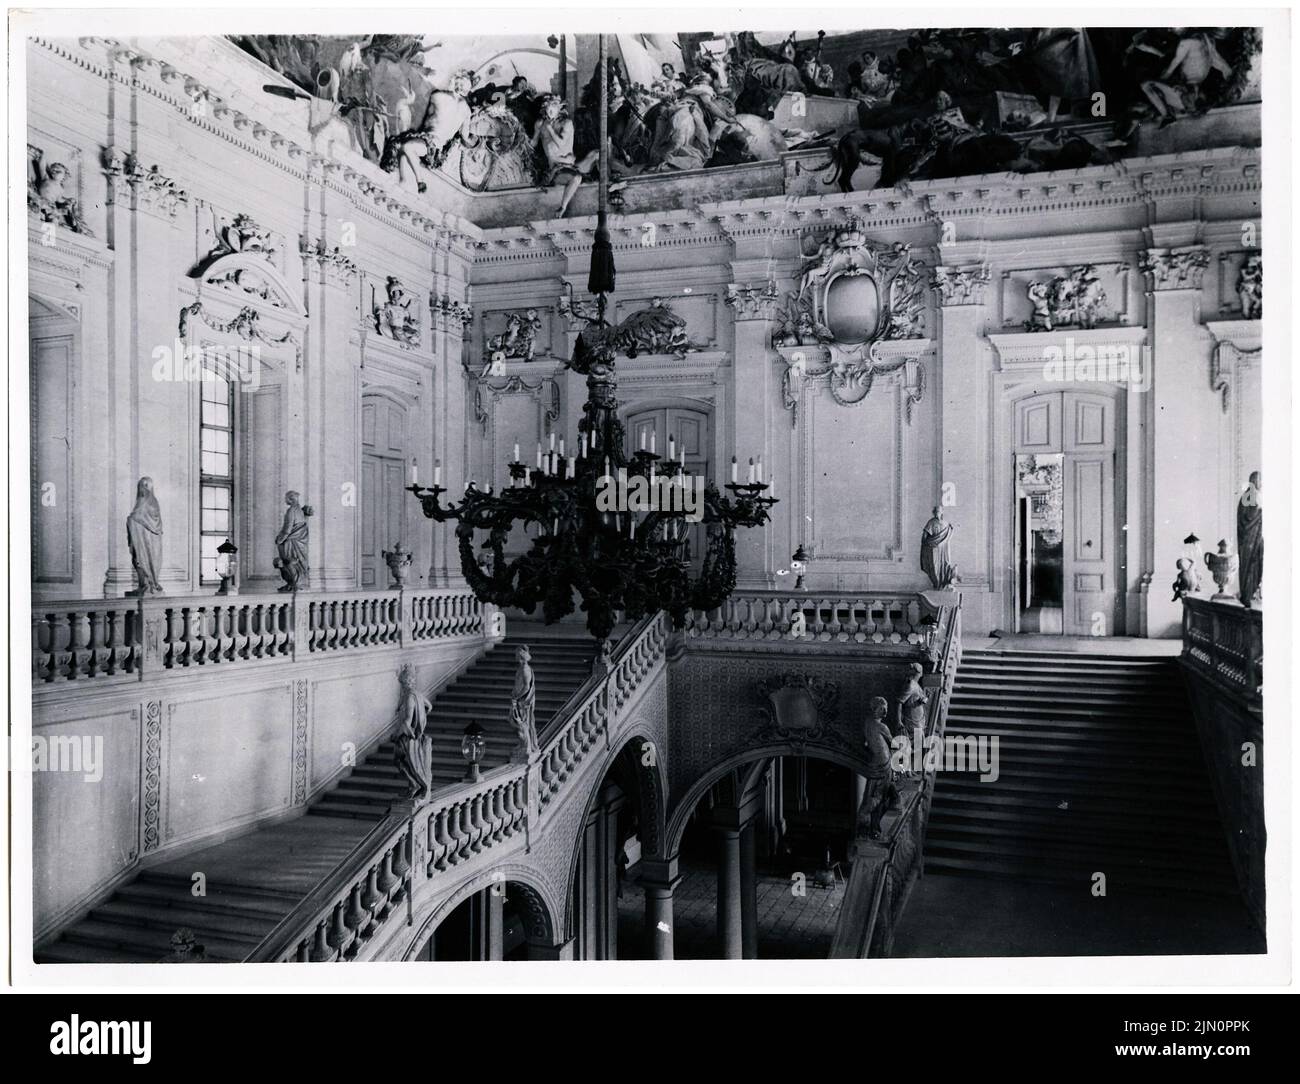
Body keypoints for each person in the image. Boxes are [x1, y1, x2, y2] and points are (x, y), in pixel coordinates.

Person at [393, 664, 434, 799]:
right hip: (415, 735)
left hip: (408, 736)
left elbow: (407, 721)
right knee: (407, 762)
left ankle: (416, 785)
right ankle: (415, 785)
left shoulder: (409, 697)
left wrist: (397, 734)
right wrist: (422, 718)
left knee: (402, 761)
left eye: (402, 683)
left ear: (405, 683)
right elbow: (429, 706)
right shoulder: (418, 694)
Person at [126, 476, 163, 596]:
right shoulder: (154, 502)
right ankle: (150, 582)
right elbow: (154, 523)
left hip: (143, 539)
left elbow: (136, 517)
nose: (141, 490)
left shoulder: (143, 501)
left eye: (142, 486)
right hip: (152, 541)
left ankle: (147, 584)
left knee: (140, 559)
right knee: (147, 560)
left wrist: (130, 519)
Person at [274, 490, 312, 592]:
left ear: (290, 499)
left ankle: (295, 583)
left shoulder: (291, 511)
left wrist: (279, 539)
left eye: (286, 498)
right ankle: (294, 583)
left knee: (289, 561)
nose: (285, 500)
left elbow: (287, 528)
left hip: (292, 542)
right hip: (301, 542)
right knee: (298, 562)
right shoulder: (299, 510)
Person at [1237, 471, 1262, 608]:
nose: (1262, 483)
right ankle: (1249, 595)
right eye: (1260, 480)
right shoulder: (1252, 494)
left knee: (1250, 568)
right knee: (1251, 567)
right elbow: (1250, 516)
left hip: (1249, 540)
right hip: (1250, 541)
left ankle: (1249, 594)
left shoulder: (1247, 495)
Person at [509, 645, 539, 757]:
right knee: (517, 721)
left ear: (521, 655)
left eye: (516, 654)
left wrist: (517, 697)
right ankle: (523, 744)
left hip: (523, 701)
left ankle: (526, 747)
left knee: (521, 723)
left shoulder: (526, 669)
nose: (515, 656)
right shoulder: (521, 668)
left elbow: (526, 687)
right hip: (518, 699)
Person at [920, 505, 959, 590]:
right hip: (934, 548)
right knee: (934, 567)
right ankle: (937, 585)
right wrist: (926, 544)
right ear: (934, 513)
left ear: (942, 512)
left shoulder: (946, 524)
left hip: (944, 549)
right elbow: (924, 536)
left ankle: (943, 585)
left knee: (945, 564)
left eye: (939, 511)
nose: (937, 513)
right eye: (935, 511)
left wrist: (951, 529)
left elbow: (949, 533)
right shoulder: (931, 522)